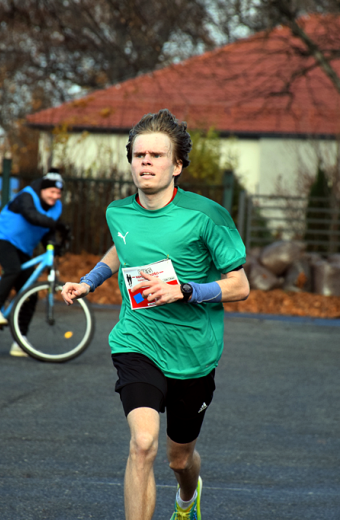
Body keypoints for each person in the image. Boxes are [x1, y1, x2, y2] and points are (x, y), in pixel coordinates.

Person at [61, 109, 249, 520]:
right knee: (142, 444)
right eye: (138, 155)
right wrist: (89, 281)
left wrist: (185, 290)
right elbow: (121, 250)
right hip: (138, 340)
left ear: (177, 165)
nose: (145, 162)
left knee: (178, 459)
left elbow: (240, 285)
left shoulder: (206, 216)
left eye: (156, 155)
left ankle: (187, 497)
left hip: (193, 352)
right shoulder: (119, 212)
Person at [0, 169, 70, 357]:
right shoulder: (26, 196)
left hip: (23, 248)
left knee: (30, 295)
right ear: (42, 190)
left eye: (58, 193)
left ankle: (20, 340)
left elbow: (47, 227)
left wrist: (53, 243)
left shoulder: (55, 208)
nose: (55, 196)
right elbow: (32, 216)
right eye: (51, 192)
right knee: (12, 268)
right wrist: (57, 225)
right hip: (2, 239)